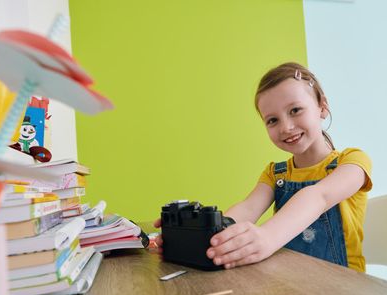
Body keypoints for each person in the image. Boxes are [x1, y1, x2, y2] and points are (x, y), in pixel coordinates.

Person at [156, 62, 372, 272]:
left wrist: (268, 237)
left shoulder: (353, 162)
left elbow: (319, 196)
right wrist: (207, 234)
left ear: (322, 107)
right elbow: (248, 208)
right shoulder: (274, 173)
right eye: (272, 120)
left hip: (343, 289)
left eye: (295, 110)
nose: (286, 127)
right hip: (291, 283)